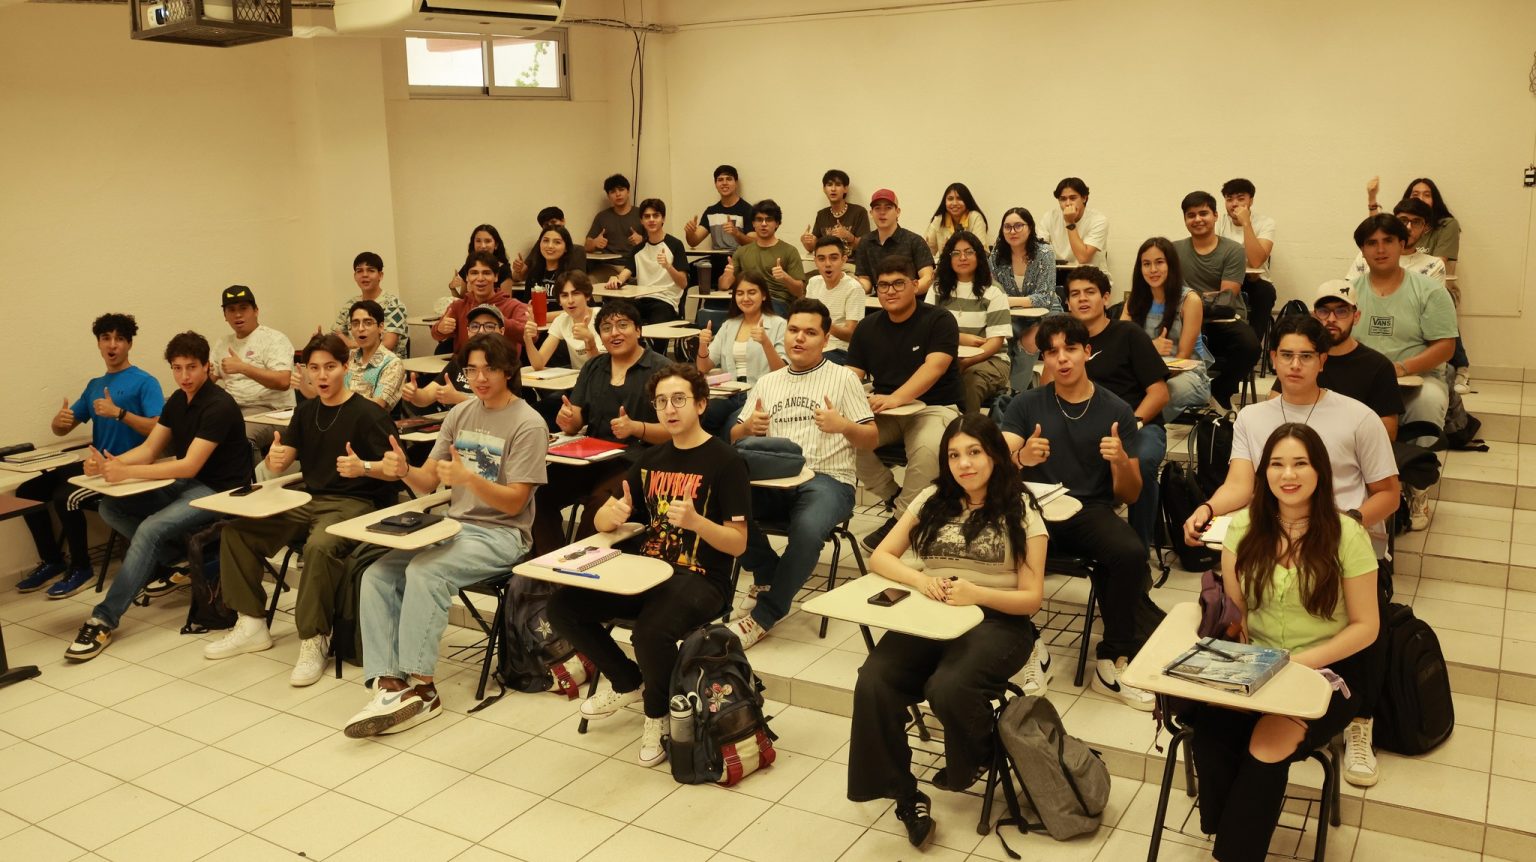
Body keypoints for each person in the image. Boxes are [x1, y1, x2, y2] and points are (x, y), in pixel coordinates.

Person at [848, 414, 1047, 850]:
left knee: (949, 685)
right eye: (954, 455)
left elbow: (1031, 598)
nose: (964, 464)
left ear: (995, 455)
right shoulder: (933, 498)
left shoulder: (1021, 508)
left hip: (998, 620)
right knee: (874, 681)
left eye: (974, 452)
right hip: (934, 613)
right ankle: (905, 795)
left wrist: (977, 593)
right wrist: (921, 581)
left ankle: (977, 756)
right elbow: (881, 556)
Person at [1187, 423, 1380, 862]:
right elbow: (1236, 615)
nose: (1287, 474)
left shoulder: (1347, 535)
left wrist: (1296, 664)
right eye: (1276, 464)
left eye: (1300, 464)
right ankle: (1226, 831)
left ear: (1320, 471)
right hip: (1258, 661)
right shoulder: (1243, 528)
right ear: (1264, 473)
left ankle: (1233, 853)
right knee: (1212, 734)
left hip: (1327, 669)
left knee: (1266, 748)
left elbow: (1366, 627)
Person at [547, 362, 751, 768]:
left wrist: (697, 522)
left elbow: (738, 543)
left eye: (678, 400)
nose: (669, 409)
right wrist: (612, 515)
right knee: (562, 607)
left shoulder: (727, 462)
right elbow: (604, 519)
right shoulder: (650, 459)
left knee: (650, 632)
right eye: (660, 402)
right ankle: (629, 681)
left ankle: (657, 714)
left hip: (702, 578)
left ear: (701, 404)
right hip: (647, 571)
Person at [344, 333, 548, 736]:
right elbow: (426, 483)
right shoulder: (460, 414)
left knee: (425, 572)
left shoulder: (528, 423)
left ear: (508, 370)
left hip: (502, 535)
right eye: (471, 370)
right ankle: (390, 683)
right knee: (378, 574)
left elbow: (514, 504)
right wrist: (403, 469)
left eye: (489, 369)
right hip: (456, 527)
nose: (479, 378)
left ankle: (423, 688)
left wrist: (469, 478)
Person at [204, 333, 399, 684]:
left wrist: (364, 467)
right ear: (305, 370)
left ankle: (314, 637)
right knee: (237, 532)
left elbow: (397, 470)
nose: (322, 376)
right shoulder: (306, 411)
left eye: (330, 367)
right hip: (308, 499)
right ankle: (251, 623)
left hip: (356, 504)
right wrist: (276, 458)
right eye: (314, 368)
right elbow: (283, 458)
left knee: (319, 547)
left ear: (346, 367)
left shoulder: (368, 414)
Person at [1000, 314, 1162, 711]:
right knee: (994, 540)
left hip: (1088, 510)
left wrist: (1120, 461)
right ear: (1043, 359)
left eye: (1070, 348)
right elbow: (995, 465)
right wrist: (1021, 458)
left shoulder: (1116, 410)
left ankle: (1113, 658)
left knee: (1128, 552)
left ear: (1087, 352)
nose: (1062, 359)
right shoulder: (1026, 404)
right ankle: (1027, 645)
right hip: (1033, 508)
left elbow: (1130, 494)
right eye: (1052, 352)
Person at [64, 332, 250, 661]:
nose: (184, 376)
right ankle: (180, 559)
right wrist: (108, 465)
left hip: (220, 491)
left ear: (206, 367)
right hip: (188, 484)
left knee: (150, 529)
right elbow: (151, 449)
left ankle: (103, 619)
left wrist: (126, 471)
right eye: (177, 368)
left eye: (191, 367)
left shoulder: (219, 405)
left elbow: (190, 465)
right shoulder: (178, 400)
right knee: (111, 507)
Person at [1184, 314, 1400, 558]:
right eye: (1287, 355)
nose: (1295, 365)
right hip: (1275, 538)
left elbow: (1389, 494)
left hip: (1339, 540)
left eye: (1306, 356)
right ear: (1274, 359)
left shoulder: (1359, 417)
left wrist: (1348, 524)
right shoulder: (1251, 418)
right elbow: (1238, 485)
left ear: (1322, 361)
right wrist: (1207, 508)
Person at [729, 298, 877, 647]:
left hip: (828, 480)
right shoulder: (769, 381)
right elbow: (735, 436)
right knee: (722, 502)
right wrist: (748, 427)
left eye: (810, 333)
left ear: (825, 339)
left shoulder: (843, 378)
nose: (799, 338)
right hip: (772, 479)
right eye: (793, 330)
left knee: (808, 529)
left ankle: (764, 616)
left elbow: (871, 438)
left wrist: (843, 425)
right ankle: (767, 572)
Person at [17, 314, 164, 599]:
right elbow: (63, 428)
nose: (112, 345)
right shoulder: (95, 385)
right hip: (95, 465)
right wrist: (58, 422)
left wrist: (120, 413)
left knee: (65, 497)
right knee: (27, 493)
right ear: (98, 344)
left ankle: (82, 569)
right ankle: (53, 561)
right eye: (106, 338)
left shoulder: (145, 382)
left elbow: (159, 429)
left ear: (129, 344)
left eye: (119, 339)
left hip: (127, 468)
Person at [533, 299, 670, 554]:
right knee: (538, 494)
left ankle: (577, 567)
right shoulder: (594, 366)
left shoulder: (661, 369)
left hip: (637, 462)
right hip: (591, 459)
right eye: (606, 328)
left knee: (599, 505)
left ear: (638, 330)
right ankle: (549, 562)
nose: (614, 333)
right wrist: (567, 419)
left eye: (622, 325)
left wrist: (636, 428)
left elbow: (674, 433)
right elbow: (575, 421)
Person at [847, 256, 962, 551]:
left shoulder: (939, 320)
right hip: (886, 410)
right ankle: (893, 496)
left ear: (914, 285)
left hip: (935, 407)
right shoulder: (867, 327)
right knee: (844, 436)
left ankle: (901, 522)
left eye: (898, 283)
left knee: (928, 449)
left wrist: (897, 397)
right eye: (883, 285)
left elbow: (934, 367)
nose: (890, 291)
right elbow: (851, 375)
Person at [1348, 213, 1456, 524]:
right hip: (1364, 379)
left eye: (1388, 241)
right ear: (1362, 250)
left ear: (1402, 245)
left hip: (1417, 377)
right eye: (1372, 243)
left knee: (1428, 401)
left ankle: (1418, 486)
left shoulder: (1429, 290)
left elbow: (1445, 346)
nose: (1380, 249)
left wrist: (1401, 368)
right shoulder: (1350, 292)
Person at [1066, 266, 1170, 551]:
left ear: (1106, 298)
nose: (1082, 299)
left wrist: (1132, 425)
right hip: (1084, 428)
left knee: (1142, 461)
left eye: (1090, 292)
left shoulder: (1128, 334)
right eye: (1075, 294)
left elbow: (1159, 393)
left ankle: (1138, 548)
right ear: (1067, 303)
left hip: (1139, 426)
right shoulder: (1065, 342)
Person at [1174, 191, 1259, 409]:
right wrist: (1199, 299)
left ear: (1215, 216)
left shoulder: (1233, 250)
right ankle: (1180, 395)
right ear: (1185, 220)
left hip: (1223, 321)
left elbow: (1225, 297)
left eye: (1203, 213)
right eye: (1191, 215)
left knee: (1250, 346)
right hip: (1185, 321)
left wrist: (1190, 299)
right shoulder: (1174, 250)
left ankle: (1220, 390)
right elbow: (1171, 293)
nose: (1197, 219)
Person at [1298, 282, 1405, 441]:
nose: (1331, 319)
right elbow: (1276, 406)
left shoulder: (1378, 366)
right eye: (1324, 311)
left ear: (1356, 317)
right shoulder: (1301, 358)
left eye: (1341, 311)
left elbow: (1387, 434)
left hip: (1354, 451)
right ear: (1314, 317)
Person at [1121, 237, 1213, 421]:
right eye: (1146, 264)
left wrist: (1147, 365)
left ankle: (1135, 430)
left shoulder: (1190, 300)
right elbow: (1121, 346)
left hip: (1187, 375)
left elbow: (1183, 358)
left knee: (1158, 395)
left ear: (1171, 265)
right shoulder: (1134, 301)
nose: (1153, 270)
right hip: (1147, 374)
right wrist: (1150, 348)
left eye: (1159, 262)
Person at [927, 231, 1012, 415]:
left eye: (969, 252)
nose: (962, 258)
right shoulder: (937, 289)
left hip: (990, 359)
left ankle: (969, 428)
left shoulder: (993, 291)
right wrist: (960, 338)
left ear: (978, 256)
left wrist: (966, 362)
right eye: (956, 253)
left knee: (969, 382)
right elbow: (927, 330)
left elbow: (995, 342)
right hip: (946, 356)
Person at [696, 273, 786, 435]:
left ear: (764, 295)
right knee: (700, 414)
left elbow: (782, 371)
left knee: (732, 427)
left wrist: (765, 343)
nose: (745, 298)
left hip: (760, 394)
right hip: (730, 393)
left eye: (752, 292)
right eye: (740, 293)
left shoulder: (779, 324)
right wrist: (703, 345)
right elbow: (703, 367)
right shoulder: (729, 325)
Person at [209, 285, 293, 449]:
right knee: (187, 430)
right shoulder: (222, 343)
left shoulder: (274, 339)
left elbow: (283, 381)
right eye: (231, 310)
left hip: (271, 412)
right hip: (231, 408)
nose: (238, 314)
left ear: (256, 310)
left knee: (238, 437)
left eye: (243, 308)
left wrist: (243, 368)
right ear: (225, 316)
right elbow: (208, 380)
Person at [301, 300, 404, 411]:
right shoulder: (347, 357)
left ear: (381, 327)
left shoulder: (392, 364)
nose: (360, 328)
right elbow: (324, 395)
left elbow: (377, 406)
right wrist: (302, 385)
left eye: (368, 323)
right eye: (355, 324)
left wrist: (339, 400)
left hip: (369, 421)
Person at [407, 304, 508, 410]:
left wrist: (459, 399)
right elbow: (427, 396)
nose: (481, 331)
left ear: (501, 331)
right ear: (468, 331)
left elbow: (501, 407)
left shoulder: (505, 364)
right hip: (456, 419)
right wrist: (414, 394)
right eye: (475, 326)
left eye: (489, 326)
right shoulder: (458, 361)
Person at [606, 197, 688, 324]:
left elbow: (683, 283)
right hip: (641, 299)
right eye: (647, 216)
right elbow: (625, 274)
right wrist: (615, 279)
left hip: (665, 300)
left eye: (656, 215)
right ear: (641, 221)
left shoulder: (675, 245)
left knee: (657, 322)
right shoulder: (638, 249)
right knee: (618, 315)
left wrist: (668, 266)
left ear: (663, 219)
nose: (651, 220)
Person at [434, 251, 530, 359]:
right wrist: (440, 328)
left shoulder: (515, 306)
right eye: (474, 273)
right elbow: (436, 334)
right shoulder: (458, 306)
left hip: (501, 366)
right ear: (467, 277)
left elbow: (532, 337)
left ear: (496, 277)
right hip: (465, 366)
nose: (480, 278)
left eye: (486, 273)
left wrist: (501, 320)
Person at [1215, 178, 1278, 344]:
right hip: (1225, 278)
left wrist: (1246, 223)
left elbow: (1256, 261)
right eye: (1229, 199)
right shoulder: (1219, 222)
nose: (1234, 204)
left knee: (1266, 292)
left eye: (1240, 198)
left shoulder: (1266, 223)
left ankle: (1253, 346)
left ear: (1251, 201)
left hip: (1255, 280)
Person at [718, 199, 806, 309]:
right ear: (753, 223)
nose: (763, 224)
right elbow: (724, 286)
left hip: (776, 301)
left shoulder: (789, 251)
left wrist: (785, 278)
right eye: (759, 220)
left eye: (768, 220)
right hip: (747, 300)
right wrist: (728, 274)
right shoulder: (741, 252)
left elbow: (799, 292)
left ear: (777, 224)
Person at [1344, 198, 1446, 285]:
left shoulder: (1434, 265)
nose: (1408, 227)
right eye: (1403, 220)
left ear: (1425, 228)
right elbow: (1348, 294)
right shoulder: (1369, 254)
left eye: (1416, 222)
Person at [853, 189, 936, 295]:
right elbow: (866, 281)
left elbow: (927, 278)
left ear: (898, 212)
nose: (882, 212)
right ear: (871, 213)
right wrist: (856, 285)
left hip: (912, 300)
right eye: (877, 208)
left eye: (888, 208)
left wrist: (903, 292)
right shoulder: (865, 242)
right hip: (879, 300)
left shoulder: (915, 241)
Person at [684, 165, 752, 290]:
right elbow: (693, 241)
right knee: (684, 275)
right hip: (715, 261)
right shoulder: (711, 211)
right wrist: (690, 232)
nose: (724, 183)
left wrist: (737, 234)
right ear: (715, 184)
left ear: (736, 183)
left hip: (737, 262)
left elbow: (754, 242)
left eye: (729, 179)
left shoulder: (747, 210)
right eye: (720, 180)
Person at [522, 271, 603, 372]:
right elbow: (539, 364)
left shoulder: (602, 317)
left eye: (576, 293)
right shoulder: (561, 321)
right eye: (564, 295)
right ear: (559, 301)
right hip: (578, 378)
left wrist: (590, 341)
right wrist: (528, 340)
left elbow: (602, 368)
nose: (570, 300)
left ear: (587, 296)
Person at [803, 236, 865, 365]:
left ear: (844, 260)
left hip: (840, 350)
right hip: (813, 345)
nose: (827, 264)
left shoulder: (854, 288)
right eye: (821, 259)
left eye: (833, 258)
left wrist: (822, 322)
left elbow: (851, 335)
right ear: (815, 261)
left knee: (808, 364)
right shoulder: (813, 282)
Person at [333, 252, 406, 354]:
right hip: (353, 361)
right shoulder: (349, 305)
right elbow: (335, 336)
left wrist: (351, 344)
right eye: (359, 271)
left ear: (380, 275)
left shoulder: (393, 304)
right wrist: (319, 340)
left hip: (386, 362)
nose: (365, 275)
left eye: (371, 270)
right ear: (355, 276)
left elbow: (388, 344)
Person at [990, 206, 1060, 312]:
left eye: (1018, 226)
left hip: (1046, 313)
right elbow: (993, 293)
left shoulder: (1045, 253)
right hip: (1011, 313)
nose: (1012, 231)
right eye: (1007, 227)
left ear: (1030, 227)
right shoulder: (997, 255)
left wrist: (1005, 300)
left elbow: (1045, 299)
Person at [1041, 177, 1111, 272]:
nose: (1068, 203)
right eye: (1063, 199)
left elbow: (1083, 258)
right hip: (1058, 273)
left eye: (1073, 198)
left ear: (1084, 198)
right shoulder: (1050, 217)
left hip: (1089, 274)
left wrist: (1070, 222)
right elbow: (1039, 251)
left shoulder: (1099, 220)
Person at [800, 168, 869, 254]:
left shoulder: (859, 212)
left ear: (845, 189)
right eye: (829, 185)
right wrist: (807, 242)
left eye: (838, 185)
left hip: (851, 261)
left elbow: (866, 246)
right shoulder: (821, 214)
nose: (833, 189)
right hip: (827, 261)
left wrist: (850, 237)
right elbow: (813, 248)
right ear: (824, 189)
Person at [518, 225, 586, 308]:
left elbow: (579, 309)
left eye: (557, 242)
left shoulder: (573, 276)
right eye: (546, 241)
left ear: (566, 248)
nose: (550, 246)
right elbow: (527, 306)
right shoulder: (533, 275)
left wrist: (546, 315)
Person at [923, 182, 989, 257]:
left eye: (959, 199)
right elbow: (926, 252)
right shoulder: (939, 220)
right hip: (945, 263)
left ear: (967, 201)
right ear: (945, 202)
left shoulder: (975, 217)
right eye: (950, 199)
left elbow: (982, 252)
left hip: (969, 263)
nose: (954, 203)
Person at [449, 224, 515, 297]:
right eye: (478, 241)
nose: (483, 246)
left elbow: (506, 301)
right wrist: (452, 288)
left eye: (487, 241)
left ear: (496, 245)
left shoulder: (503, 269)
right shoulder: (468, 266)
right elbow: (462, 300)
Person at [585, 173, 644, 255]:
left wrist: (642, 240)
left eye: (621, 189)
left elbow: (656, 241)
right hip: (608, 261)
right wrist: (594, 243)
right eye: (613, 191)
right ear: (608, 196)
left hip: (635, 260)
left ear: (628, 192)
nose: (618, 194)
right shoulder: (602, 217)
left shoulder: (642, 214)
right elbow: (586, 246)